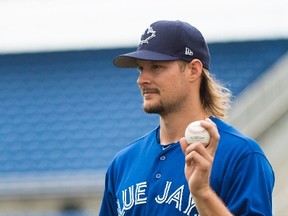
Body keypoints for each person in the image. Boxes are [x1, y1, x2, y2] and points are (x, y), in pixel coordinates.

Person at [99, 20, 274, 216]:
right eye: (141, 68)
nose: (142, 79)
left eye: (156, 67)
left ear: (193, 70)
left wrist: (202, 193)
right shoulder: (123, 162)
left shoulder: (241, 155)